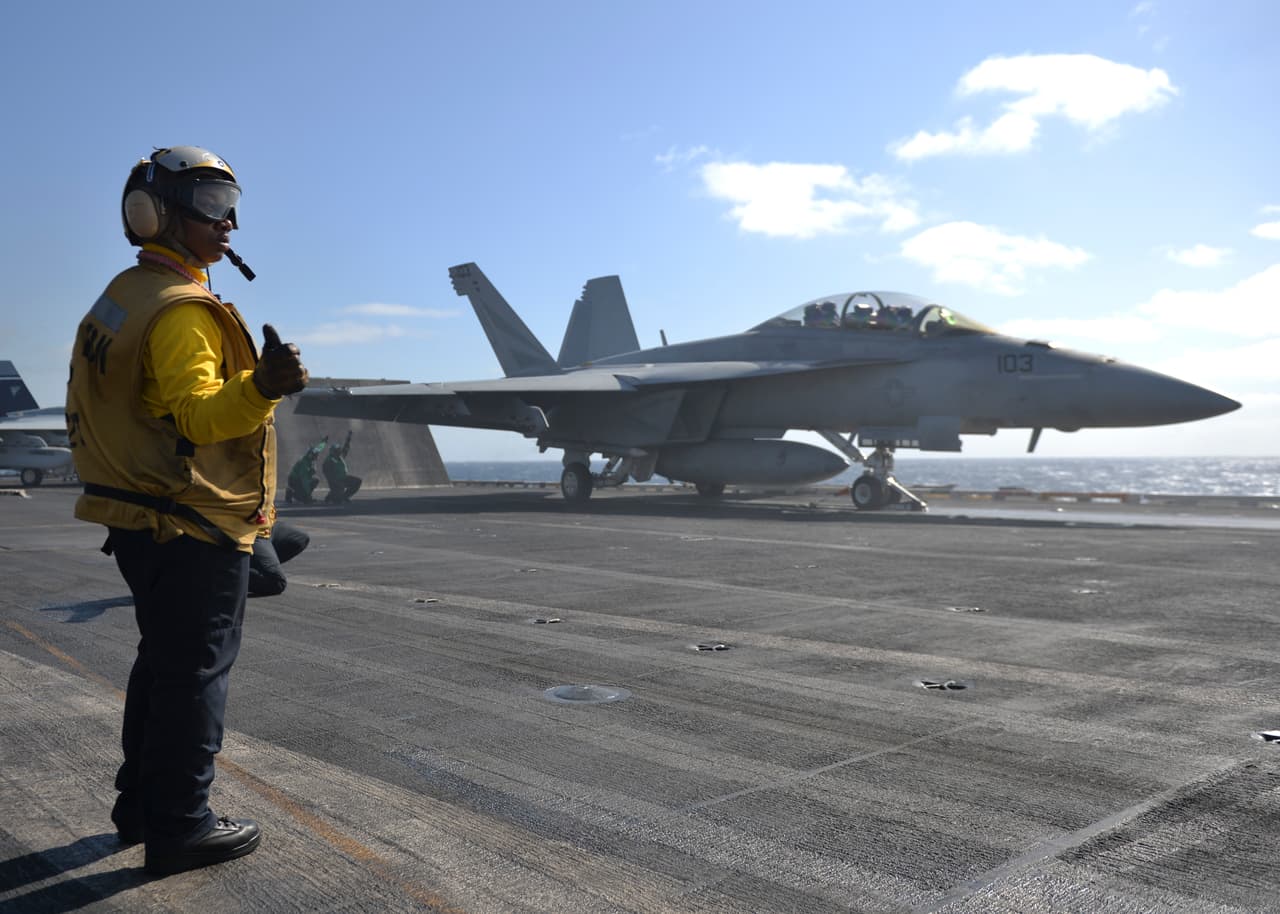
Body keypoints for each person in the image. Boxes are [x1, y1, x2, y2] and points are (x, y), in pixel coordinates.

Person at [65, 146, 308, 876]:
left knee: (163, 665)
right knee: (195, 674)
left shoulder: (124, 295)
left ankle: (141, 806)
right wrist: (264, 384)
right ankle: (180, 825)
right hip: (188, 523)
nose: (228, 219)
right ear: (155, 214)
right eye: (207, 200)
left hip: (138, 517)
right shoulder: (180, 313)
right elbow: (200, 418)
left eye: (230, 200)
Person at [249, 517, 310, 596]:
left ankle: (252, 565)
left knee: (301, 538)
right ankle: (231, 573)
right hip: (249, 530)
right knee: (277, 583)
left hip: (266, 524)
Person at [322, 430, 362, 503]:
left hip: (343, 478)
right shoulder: (329, 460)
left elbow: (346, 448)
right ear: (333, 451)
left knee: (358, 481)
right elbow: (327, 474)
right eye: (337, 450)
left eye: (339, 450)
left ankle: (345, 496)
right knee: (337, 501)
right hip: (335, 481)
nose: (339, 451)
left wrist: (348, 438)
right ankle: (331, 495)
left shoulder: (340, 457)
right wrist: (335, 483)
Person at [285, 437, 326, 504]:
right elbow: (304, 480)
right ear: (311, 455)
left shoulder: (309, 460)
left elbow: (317, 449)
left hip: (298, 479)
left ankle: (299, 494)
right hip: (295, 480)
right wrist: (308, 495)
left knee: (315, 480)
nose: (316, 457)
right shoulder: (304, 463)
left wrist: (323, 443)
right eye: (315, 456)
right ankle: (292, 493)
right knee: (302, 498)